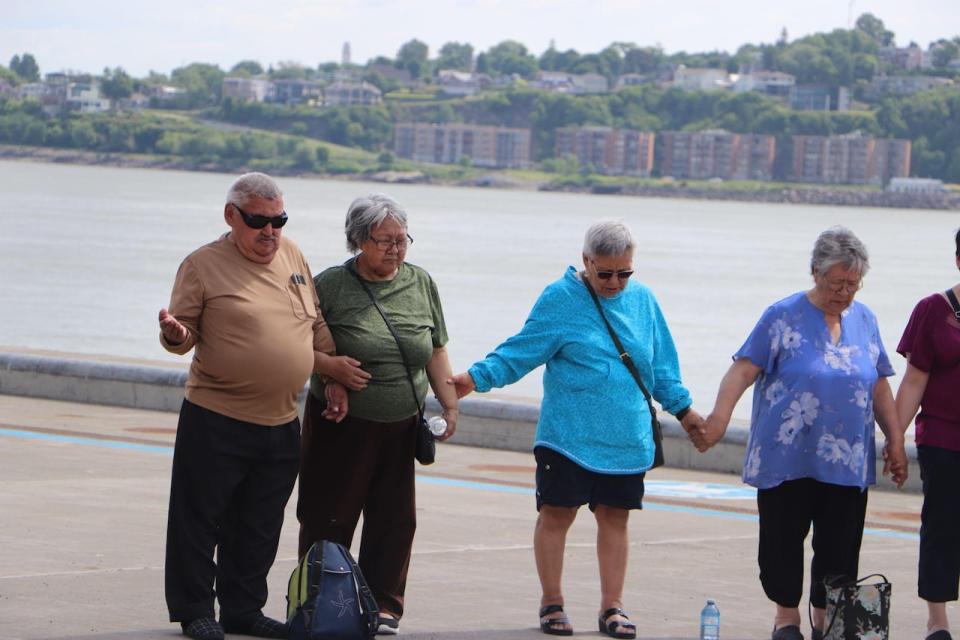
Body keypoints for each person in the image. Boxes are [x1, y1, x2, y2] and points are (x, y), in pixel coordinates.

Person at [448, 220, 704, 638]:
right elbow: (522, 350)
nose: (615, 282)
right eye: (605, 273)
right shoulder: (561, 298)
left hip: (626, 437)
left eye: (624, 272)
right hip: (567, 436)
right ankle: (552, 603)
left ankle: (612, 607)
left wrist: (687, 412)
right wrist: (474, 379)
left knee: (616, 517)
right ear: (586, 261)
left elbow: (661, 368)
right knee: (557, 514)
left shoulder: (643, 301)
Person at [159, 172, 364, 640]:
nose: (270, 232)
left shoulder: (291, 254)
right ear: (232, 216)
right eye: (258, 221)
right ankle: (195, 612)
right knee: (200, 520)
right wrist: (174, 336)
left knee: (259, 523)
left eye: (279, 221)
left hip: (279, 420)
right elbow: (183, 333)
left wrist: (331, 374)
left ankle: (243, 610)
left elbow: (315, 324)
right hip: (216, 416)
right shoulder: (202, 264)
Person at [694, 226, 907, 640]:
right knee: (782, 542)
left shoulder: (866, 320)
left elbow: (879, 383)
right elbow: (743, 369)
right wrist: (719, 419)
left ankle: (825, 620)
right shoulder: (782, 315)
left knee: (840, 546)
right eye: (837, 282)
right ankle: (786, 618)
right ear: (815, 272)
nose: (845, 292)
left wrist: (895, 440)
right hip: (785, 454)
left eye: (853, 284)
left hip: (846, 458)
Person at [296, 193, 458, 636]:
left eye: (402, 239)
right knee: (329, 514)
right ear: (357, 240)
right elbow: (299, 343)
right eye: (385, 240)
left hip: (402, 422)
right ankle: (320, 602)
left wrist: (449, 402)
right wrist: (331, 374)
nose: (396, 249)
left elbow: (436, 347)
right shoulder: (330, 285)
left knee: (394, 519)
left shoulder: (421, 283)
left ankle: (385, 606)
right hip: (340, 424)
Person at [894, 229, 960, 640]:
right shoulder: (933, 310)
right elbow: (914, 381)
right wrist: (894, 438)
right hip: (943, 438)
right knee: (941, 525)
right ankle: (938, 622)